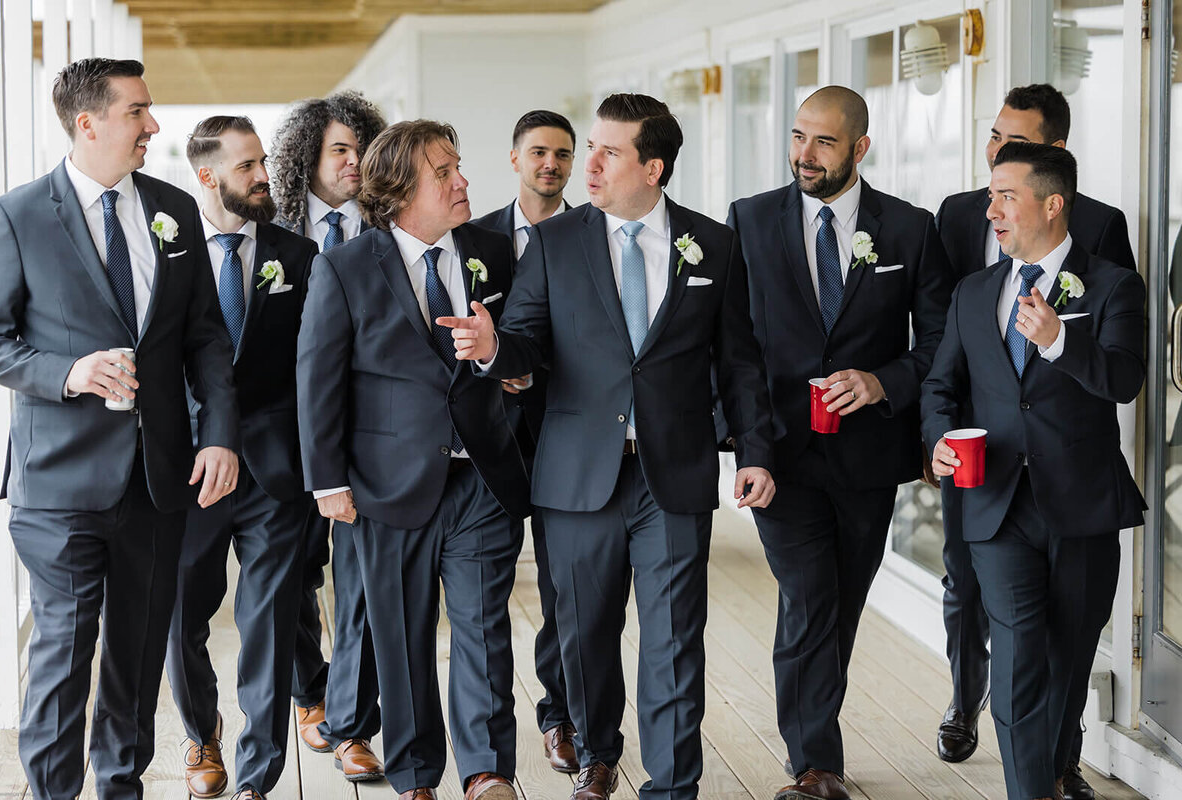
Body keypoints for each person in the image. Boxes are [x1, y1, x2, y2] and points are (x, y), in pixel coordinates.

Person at [439, 92, 775, 800]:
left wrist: (755, 452)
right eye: (587, 147)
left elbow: (739, 363)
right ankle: (596, 756)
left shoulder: (713, 244)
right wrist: (498, 348)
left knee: (676, 637)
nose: (584, 164)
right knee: (584, 633)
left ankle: (673, 784)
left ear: (653, 168)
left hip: (673, 476)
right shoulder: (556, 243)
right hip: (575, 476)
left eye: (607, 152)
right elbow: (527, 339)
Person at [0, 58, 239, 800]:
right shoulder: (18, 214)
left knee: (134, 656)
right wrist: (70, 373)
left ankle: (121, 787)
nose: (154, 127)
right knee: (64, 652)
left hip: (158, 479)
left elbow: (204, 339)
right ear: (87, 123)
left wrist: (218, 433)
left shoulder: (174, 209)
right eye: (138, 113)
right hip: (58, 481)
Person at [727, 85, 953, 800]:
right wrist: (748, 446)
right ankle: (815, 762)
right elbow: (734, 348)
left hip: (868, 456)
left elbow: (943, 343)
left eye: (823, 142)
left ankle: (813, 736)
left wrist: (885, 382)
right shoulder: (749, 221)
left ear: (859, 148)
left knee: (842, 601)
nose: (804, 155)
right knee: (809, 597)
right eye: (797, 137)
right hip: (780, 453)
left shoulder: (911, 230)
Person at [297, 119, 531, 800]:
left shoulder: (494, 250)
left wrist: (497, 351)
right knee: (399, 639)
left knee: (485, 630)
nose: (463, 182)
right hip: (382, 488)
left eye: (458, 167)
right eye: (444, 172)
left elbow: (528, 349)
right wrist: (328, 482)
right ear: (400, 191)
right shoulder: (343, 267)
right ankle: (414, 773)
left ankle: (488, 771)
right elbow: (318, 381)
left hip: (482, 478)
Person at [923, 141, 1146, 800]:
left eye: (1006, 196)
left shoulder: (1112, 286)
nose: (991, 210)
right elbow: (941, 386)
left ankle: (1051, 775)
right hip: (995, 503)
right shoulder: (973, 293)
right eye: (990, 194)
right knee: (1017, 656)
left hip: (1081, 505)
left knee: (1068, 661)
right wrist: (937, 439)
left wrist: (1059, 340)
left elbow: (1125, 380)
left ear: (1053, 204)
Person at [166, 115, 319, 800]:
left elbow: (317, 367)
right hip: (189, 468)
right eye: (247, 166)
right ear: (207, 177)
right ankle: (202, 737)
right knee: (181, 614)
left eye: (263, 162)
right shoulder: (165, 256)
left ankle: (258, 775)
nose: (264, 176)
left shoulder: (300, 254)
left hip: (274, 472)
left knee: (271, 618)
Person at [269, 90, 388, 779]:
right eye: (339, 150)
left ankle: (352, 722)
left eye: (361, 150)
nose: (352, 163)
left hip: (373, 432)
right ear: (307, 156)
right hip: (285, 434)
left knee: (366, 581)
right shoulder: (272, 228)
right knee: (289, 576)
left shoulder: (392, 224)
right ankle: (309, 692)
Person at [473, 108, 579, 772]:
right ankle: (487, 740)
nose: (550, 164)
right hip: (492, 443)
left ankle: (560, 715)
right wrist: (491, 370)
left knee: (566, 589)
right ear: (514, 158)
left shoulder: (590, 236)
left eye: (563, 155)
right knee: (484, 593)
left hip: (569, 434)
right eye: (538, 152)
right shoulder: (472, 236)